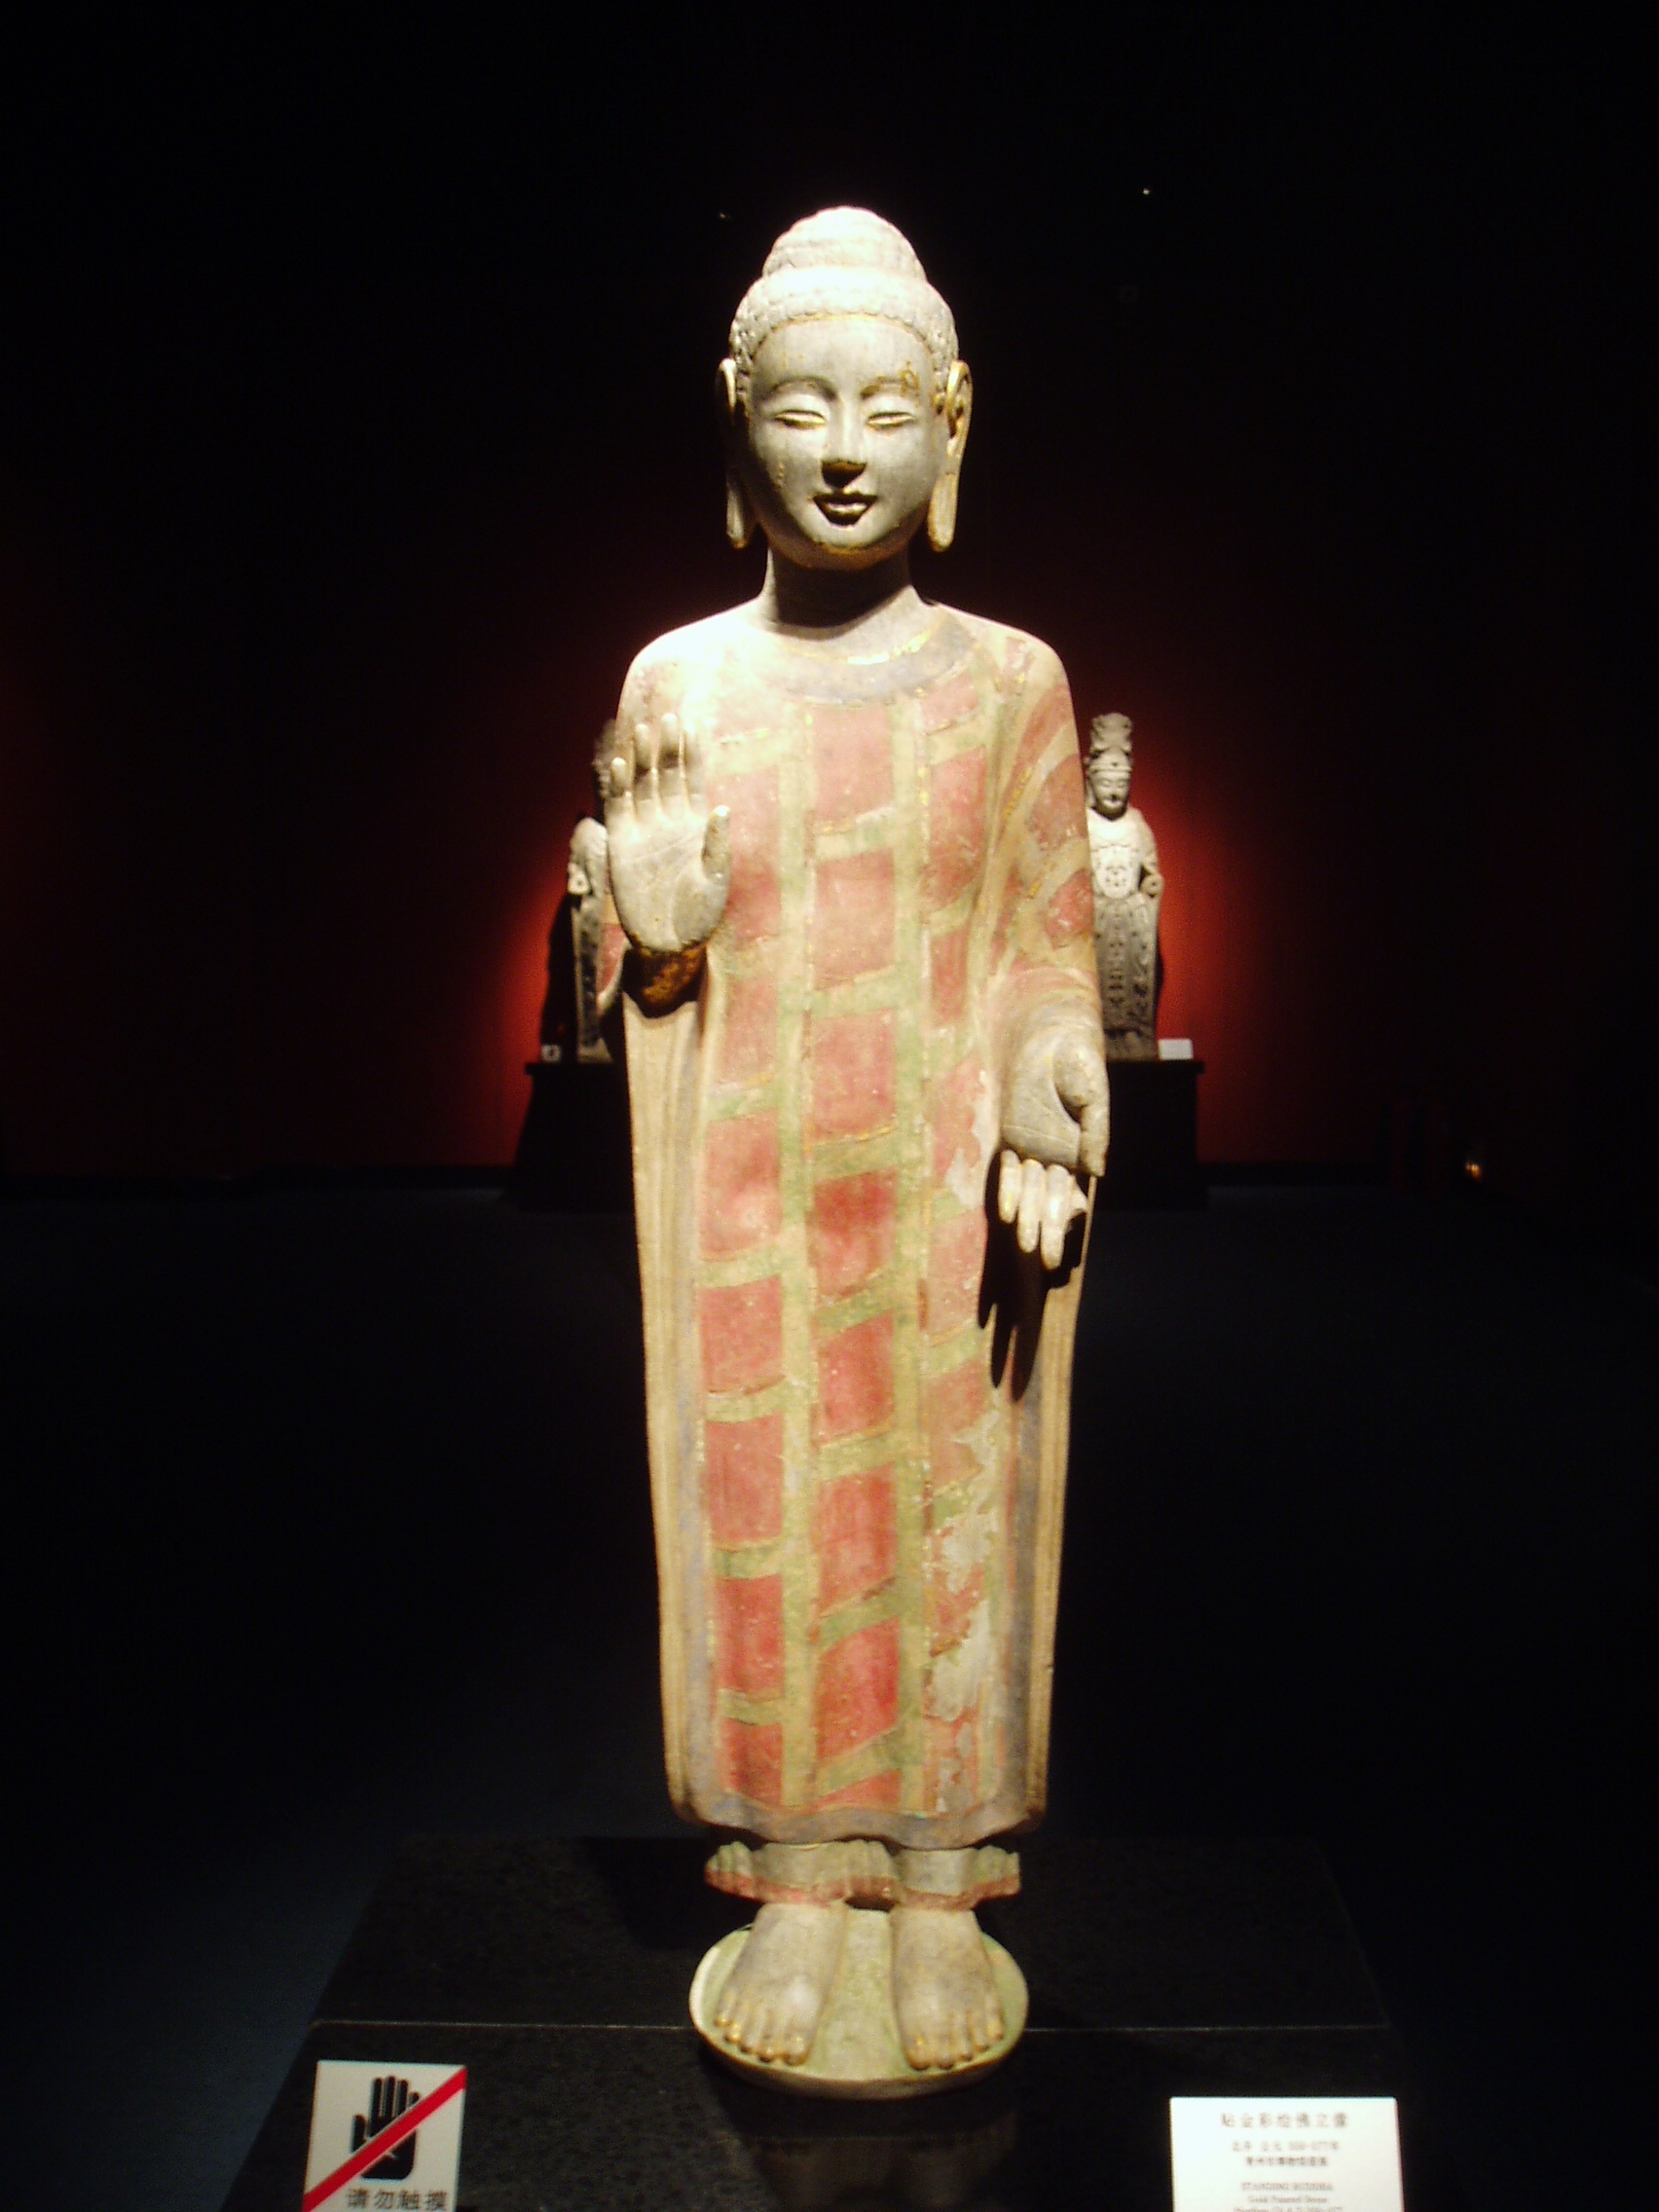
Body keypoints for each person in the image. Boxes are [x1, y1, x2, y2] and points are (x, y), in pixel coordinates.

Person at [605, 208, 1107, 2076]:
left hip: (940, 1180)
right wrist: (648, 925)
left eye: (883, 409)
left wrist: (1056, 1077)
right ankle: (800, 1865)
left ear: (951, 428)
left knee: (941, 1517)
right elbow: (638, 972)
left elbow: (1049, 936)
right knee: (766, 1515)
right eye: (799, 408)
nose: (838, 449)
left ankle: (932, 1872)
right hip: (747, 1182)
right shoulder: (682, 683)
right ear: (731, 427)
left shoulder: (1012, 684)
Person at [1086, 712, 1163, 1058]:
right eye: (1106, 783)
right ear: (1090, 781)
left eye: (1121, 784)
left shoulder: (1137, 824)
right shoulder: (1081, 822)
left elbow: (1152, 874)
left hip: (1131, 920)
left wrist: (1150, 893)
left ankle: (1134, 1035)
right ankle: (1096, 1036)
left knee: (1133, 982)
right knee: (1098, 981)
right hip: (1096, 917)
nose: (1114, 791)